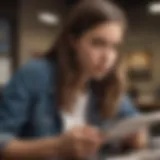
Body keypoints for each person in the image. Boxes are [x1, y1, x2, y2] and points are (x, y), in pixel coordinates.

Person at [0, 0, 148, 159]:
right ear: (73, 41)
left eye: (114, 47)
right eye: (98, 43)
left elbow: (135, 122)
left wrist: (137, 136)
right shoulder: (35, 75)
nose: (107, 57)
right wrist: (57, 147)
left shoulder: (106, 82)